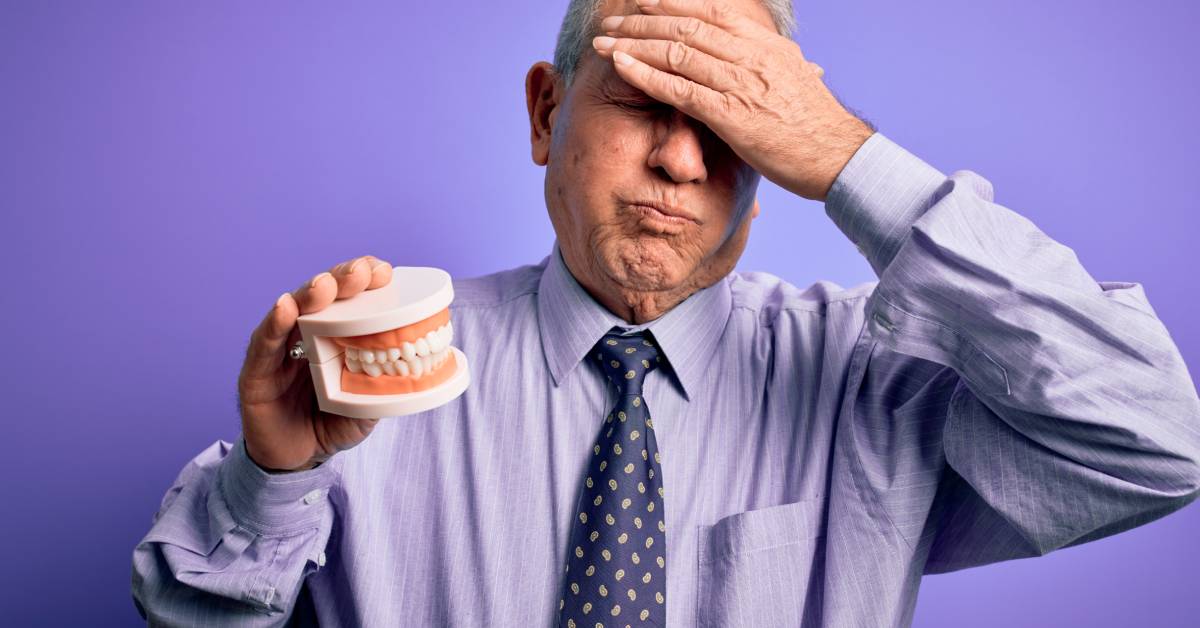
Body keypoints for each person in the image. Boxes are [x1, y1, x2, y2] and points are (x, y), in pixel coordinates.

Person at [131, 0, 1200, 625]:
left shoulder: (873, 377)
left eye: (733, 122)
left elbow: (1157, 440)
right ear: (550, 112)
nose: (683, 160)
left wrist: (845, 158)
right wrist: (274, 479)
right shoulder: (380, 374)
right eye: (646, 99)